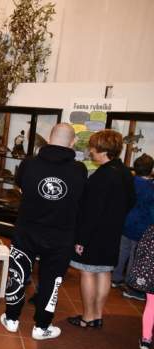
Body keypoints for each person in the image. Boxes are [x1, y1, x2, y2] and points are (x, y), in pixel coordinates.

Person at [0, 123, 87, 340]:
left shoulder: (29, 164)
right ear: (73, 142)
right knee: (52, 281)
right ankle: (42, 326)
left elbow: (21, 188)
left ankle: (11, 319)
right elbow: (80, 200)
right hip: (61, 235)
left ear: (49, 138)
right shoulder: (79, 170)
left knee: (18, 273)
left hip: (27, 229)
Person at [68, 130, 135, 328]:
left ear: (103, 150)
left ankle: (88, 317)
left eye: (93, 148)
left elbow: (91, 212)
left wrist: (81, 239)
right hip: (113, 232)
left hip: (94, 234)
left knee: (88, 272)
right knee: (105, 272)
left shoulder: (102, 176)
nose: (90, 151)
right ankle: (97, 315)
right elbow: (131, 201)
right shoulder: (125, 172)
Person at [112, 153, 154, 301]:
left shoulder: (129, 181)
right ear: (151, 170)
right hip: (143, 226)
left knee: (122, 251)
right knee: (136, 256)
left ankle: (115, 278)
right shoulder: (151, 188)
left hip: (126, 222)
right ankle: (132, 284)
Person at [128, 225, 154, 349]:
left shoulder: (152, 230)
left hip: (151, 275)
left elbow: (141, 250)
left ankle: (146, 340)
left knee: (151, 305)